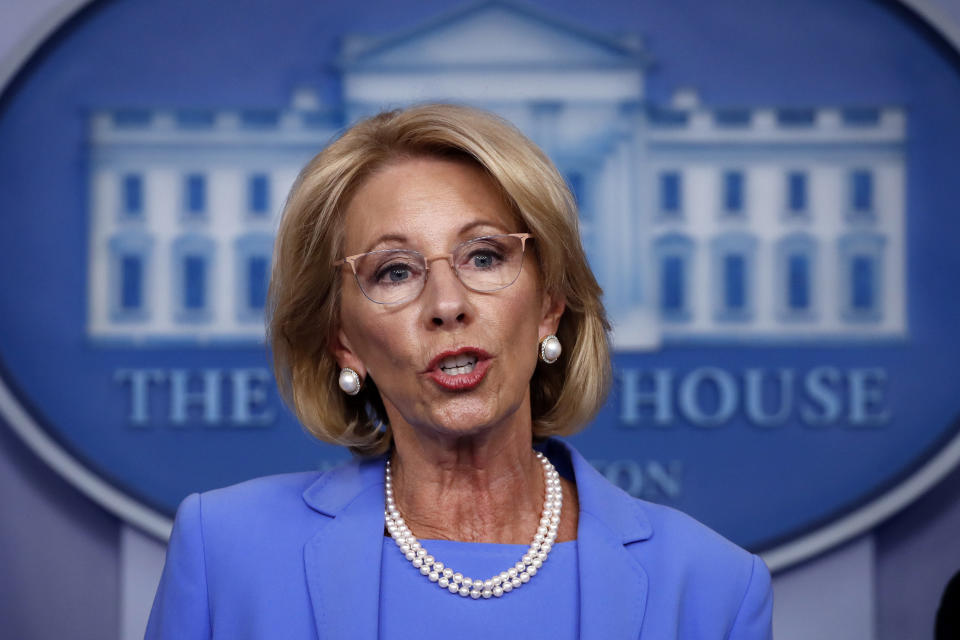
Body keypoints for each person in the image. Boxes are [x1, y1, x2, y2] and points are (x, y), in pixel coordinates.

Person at [145, 104, 773, 639]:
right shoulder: (225, 551)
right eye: (395, 270)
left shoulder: (713, 587)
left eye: (483, 255)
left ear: (549, 306)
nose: (447, 305)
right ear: (343, 342)